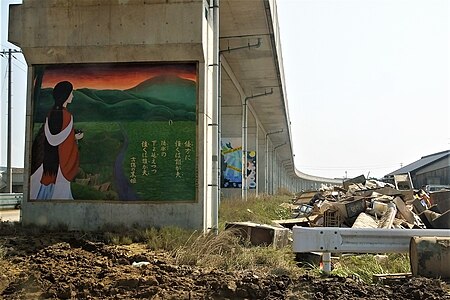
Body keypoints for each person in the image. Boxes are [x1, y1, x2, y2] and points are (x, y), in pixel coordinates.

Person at [30, 81, 84, 200]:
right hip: (60, 162)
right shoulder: (67, 116)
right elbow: (64, 141)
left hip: (47, 161)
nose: (72, 96)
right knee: (60, 192)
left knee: (43, 191)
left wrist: (71, 137)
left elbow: (53, 139)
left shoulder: (50, 114)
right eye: (71, 93)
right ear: (65, 95)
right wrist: (76, 138)